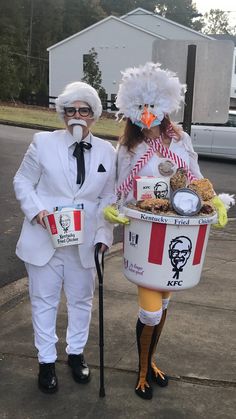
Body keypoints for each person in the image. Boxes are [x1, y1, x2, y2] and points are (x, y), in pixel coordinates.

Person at [104, 62, 230, 400]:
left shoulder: (180, 142)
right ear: (131, 110)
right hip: (147, 235)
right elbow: (117, 190)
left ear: (164, 107)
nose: (147, 114)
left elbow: (196, 178)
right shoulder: (128, 149)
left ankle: (152, 361)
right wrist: (114, 209)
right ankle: (142, 372)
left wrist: (215, 202)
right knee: (150, 310)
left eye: (152, 106)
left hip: (179, 234)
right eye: (140, 107)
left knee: (164, 303)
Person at [13, 81, 116, 393]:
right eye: (70, 110)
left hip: (83, 243)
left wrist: (103, 235)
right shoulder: (42, 143)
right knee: (43, 300)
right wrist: (37, 212)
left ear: (94, 115)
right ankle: (46, 360)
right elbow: (23, 181)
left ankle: (75, 353)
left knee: (81, 300)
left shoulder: (107, 152)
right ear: (62, 114)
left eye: (83, 110)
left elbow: (109, 198)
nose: (77, 115)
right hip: (45, 236)